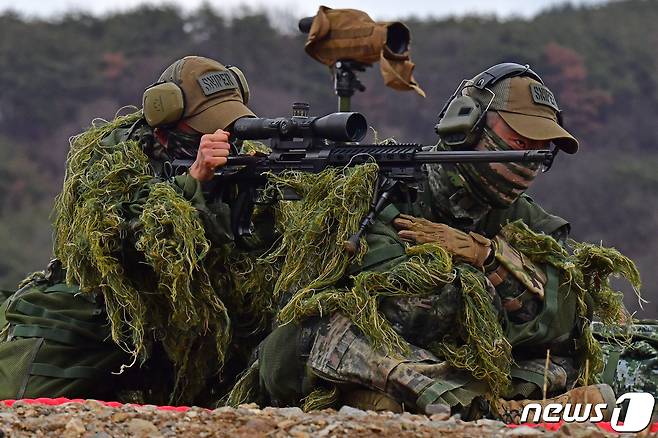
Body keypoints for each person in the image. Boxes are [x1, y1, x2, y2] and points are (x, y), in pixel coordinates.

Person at [243, 63, 636, 420]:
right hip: (340, 359)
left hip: (456, 367)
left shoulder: (527, 221)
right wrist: (486, 282)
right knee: (330, 329)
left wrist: (487, 256)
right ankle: (486, 409)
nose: (530, 161)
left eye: (541, 149)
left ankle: (449, 405)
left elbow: (560, 319)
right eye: (519, 140)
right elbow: (387, 302)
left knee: (562, 356)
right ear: (466, 125)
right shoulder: (382, 191)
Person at [0, 56, 270, 405]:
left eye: (229, 130)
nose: (219, 141)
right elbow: (113, 243)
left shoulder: (245, 161)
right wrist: (192, 183)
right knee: (19, 401)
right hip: (97, 314)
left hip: (185, 324)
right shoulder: (111, 157)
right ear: (163, 128)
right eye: (204, 132)